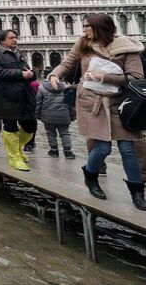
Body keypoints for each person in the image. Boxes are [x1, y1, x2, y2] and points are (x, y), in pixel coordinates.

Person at [49, 14, 146, 210]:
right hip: (92, 102)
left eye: (87, 26)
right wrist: (54, 74)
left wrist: (104, 77)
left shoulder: (127, 48)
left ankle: (137, 192)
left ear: (100, 28)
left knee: (128, 149)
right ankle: (91, 175)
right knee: (102, 148)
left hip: (120, 104)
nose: (83, 29)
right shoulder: (83, 44)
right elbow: (67, 63)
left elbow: (136, 77)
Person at [0, 29, 36, 171]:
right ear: (2, 40)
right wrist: (20, 74)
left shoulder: (18, 53)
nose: (15, 40)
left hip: (24, 94)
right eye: (11, 38)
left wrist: (31, 73)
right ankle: (14, 157)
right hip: (6, 96)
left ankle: (18, 148)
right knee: (10, 125)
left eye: (16, 37)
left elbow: (28, 70)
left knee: (30, 125)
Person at [35, 75, 76, 159]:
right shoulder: (66, 88)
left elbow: (38, 103)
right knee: (65, 133)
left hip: (48, 116)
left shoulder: (42, 88)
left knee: (50, 133)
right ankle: (68, 152)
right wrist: (73, 116)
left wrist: (37, 115)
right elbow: (71, 104)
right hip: (64, 116)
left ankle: (54, 150)